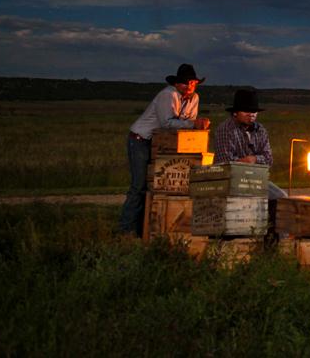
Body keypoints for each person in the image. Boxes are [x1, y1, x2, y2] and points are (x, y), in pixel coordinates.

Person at [118, 63, 210, 236]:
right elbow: (167, 123)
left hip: (161, 144)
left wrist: (195, 125)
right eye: (186, 83)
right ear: (177, 84)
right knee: (139, 186)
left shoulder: (194, 98)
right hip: (141, 139)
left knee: (156, 185)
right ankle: (126, 229)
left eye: (193, 83)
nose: (189, 87)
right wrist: (193, 124)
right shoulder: (168, 95)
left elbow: (186, 125)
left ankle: (145, 229)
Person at [212, 88, 286, 199]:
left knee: (282, 197)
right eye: (246, 111)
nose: (251, 114)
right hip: (230, 182)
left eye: (254, 111)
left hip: (256, 180)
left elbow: (269, 159)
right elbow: (225, 164)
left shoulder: (260, 130)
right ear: (235, 112)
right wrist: (245, 163)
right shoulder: (226, 130)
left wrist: (253, 159)